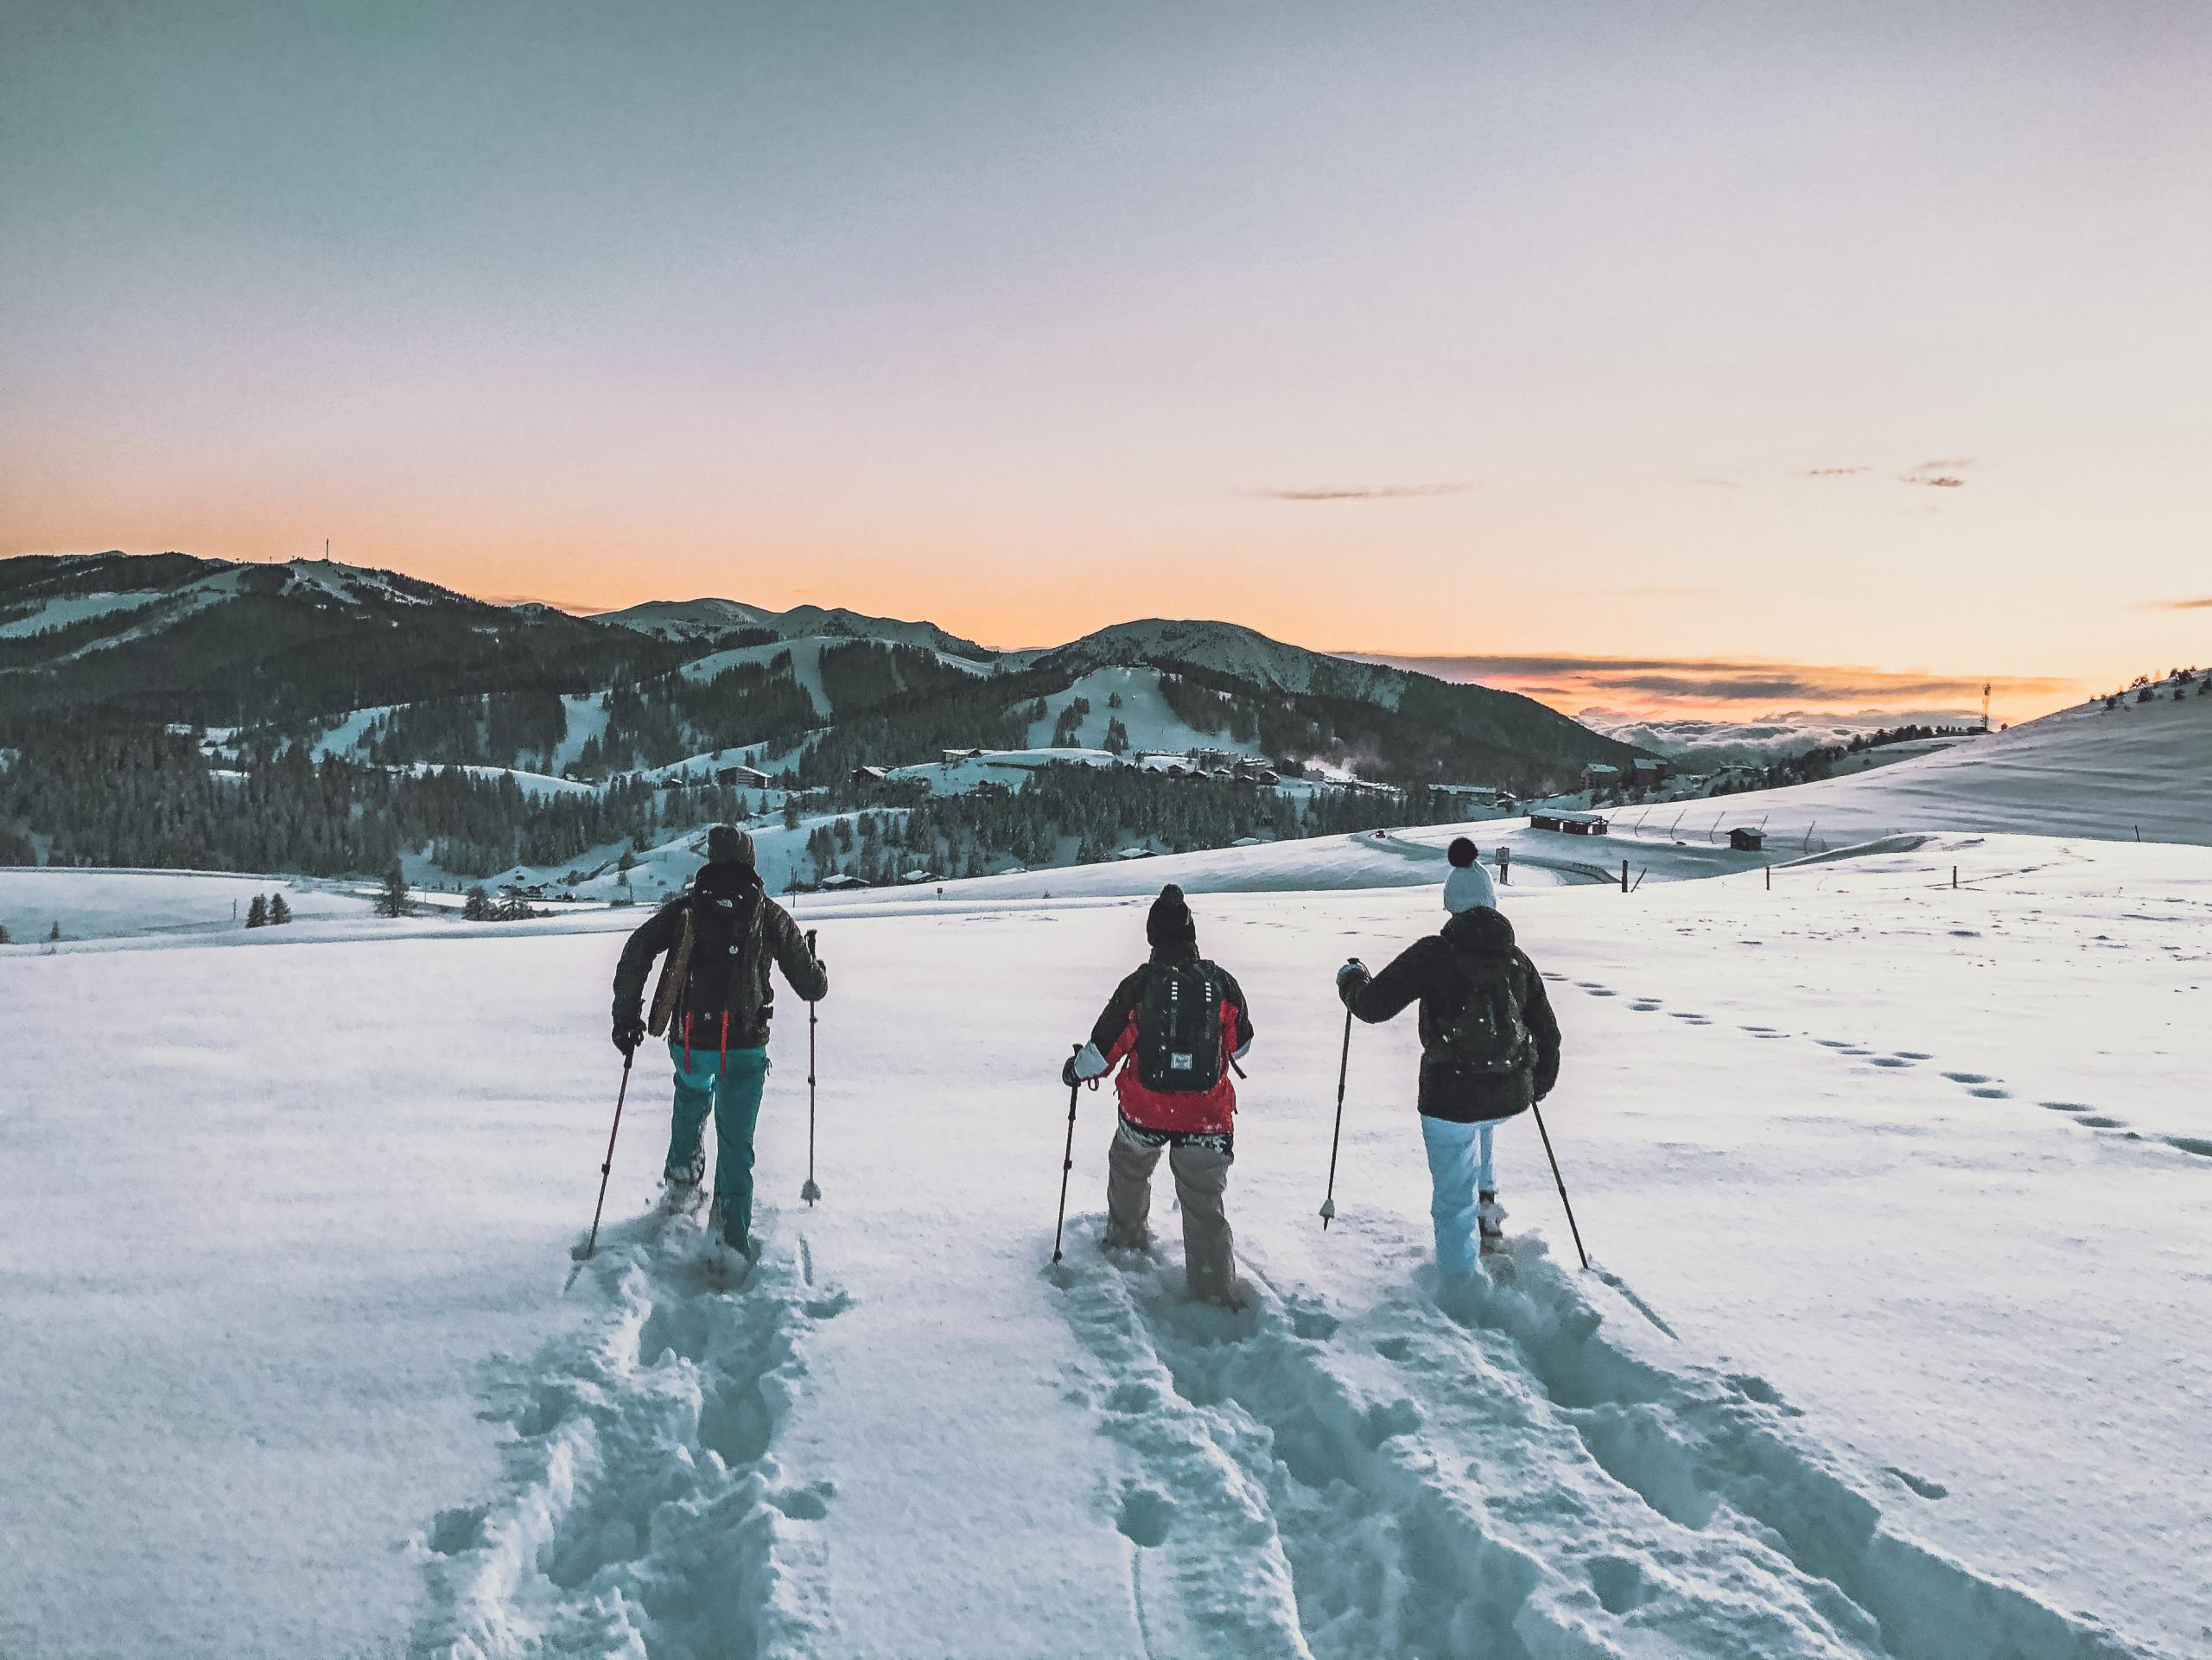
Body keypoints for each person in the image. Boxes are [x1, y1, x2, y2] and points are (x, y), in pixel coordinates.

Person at [611, 825, 827, 1258]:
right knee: (735, 1142)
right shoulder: (769, 913)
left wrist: (626, 1019)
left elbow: (637, 950)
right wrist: (818, 969)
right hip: (745, 1046)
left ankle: (682, 1188)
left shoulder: (686, 909)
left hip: (690, 1042)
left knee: (691, 1100)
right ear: (749, 861)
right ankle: (729, 1241)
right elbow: (810, 987)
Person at [1334, 903, 1559, 1277]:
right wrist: (1537, 1086)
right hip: (1509, 1095)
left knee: (1453, 1199)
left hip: (1449, 1098)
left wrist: (1350, 980)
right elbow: (1548, 1032)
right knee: (1482, 1137)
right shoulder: (1515, 959)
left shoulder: (1435, 953)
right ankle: (1488, 1228)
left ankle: (1462, 1289)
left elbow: (1373, 1007)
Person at [1065, 885, 1255, 1304]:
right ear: (1191, 933)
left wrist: (1074, 1071)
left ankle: (1127, 1246)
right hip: (1207, 1117)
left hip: (1145, 1111)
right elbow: (1242, 1044)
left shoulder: (1139, 985)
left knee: (1130, 1169)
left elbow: (1101, 1053)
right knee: (1204, 1202)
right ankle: (1212, 1292)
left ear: (1152, 936)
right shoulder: (1221, 983)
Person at [1444, 836, 1497, 915]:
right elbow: (1490, 900)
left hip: (1462, 918)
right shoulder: (1483, 873)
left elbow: (1451, 904)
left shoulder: (1455, 877)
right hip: (1486, 915)